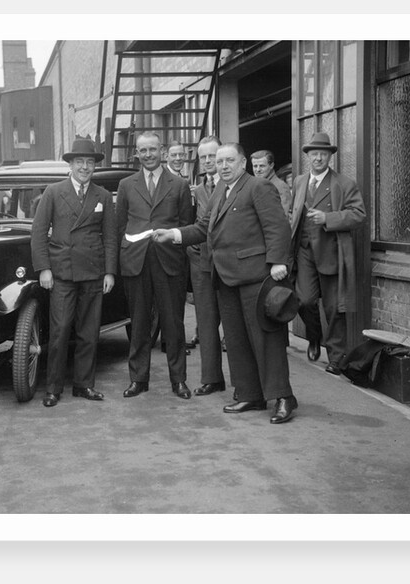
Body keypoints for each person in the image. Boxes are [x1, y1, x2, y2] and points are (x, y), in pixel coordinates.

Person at [154, 143, 298, 424]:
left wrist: (279, 261)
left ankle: (283, 397)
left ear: (242, 162)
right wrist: (172, 233)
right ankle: (249, 394)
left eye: (229, 160)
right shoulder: (221, 190)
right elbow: (201, 228)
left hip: (256, 277)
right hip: (225, 277)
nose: (223, 166)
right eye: (219, 162)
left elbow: (277, 226)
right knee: (236, 340)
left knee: (266, 339)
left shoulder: (258, 187)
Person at [30, 137, 118, 407]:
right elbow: (38, 233)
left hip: (93, 273)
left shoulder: (103, 195)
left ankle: (83, 385)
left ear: (95, 166)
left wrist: (110, 272)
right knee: (59, 332)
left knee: (89, 332)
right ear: (70, 164)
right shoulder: (54, 192)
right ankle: (53, 388)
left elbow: (111, 237)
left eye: (89, 162)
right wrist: (44, 269)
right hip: (63, 274)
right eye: (79, 162)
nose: (84, 167)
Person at [116, 131, 195, 400]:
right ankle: (138, 379)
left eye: (152, 149)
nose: (148, 155)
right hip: (135, 263)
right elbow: (120, 226)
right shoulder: (126, 185)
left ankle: (178, 380)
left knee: (173, 323)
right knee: (138, 323)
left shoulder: (179, 185)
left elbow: (186, 225)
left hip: (169, 262)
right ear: (136, 153)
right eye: (142, 150)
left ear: (162, 151)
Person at [289, 132, 366, 375]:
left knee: (334, 308)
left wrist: (328, 218)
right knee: (304, 300)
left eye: (323, 154)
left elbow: (359, 215)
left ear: (330, 156)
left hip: (331, 253)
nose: (318, 158)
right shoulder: (300, 182)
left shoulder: (343, 184)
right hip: (304, 251)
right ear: (308, 157)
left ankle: (336, 358)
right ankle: (314, 338)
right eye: (314, 154)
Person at [185, 136, 226, 397]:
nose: (209, 162)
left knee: (235, 327)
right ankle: (212, 379)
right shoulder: (196, 191)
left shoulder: (235, 186)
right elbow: (192, 225)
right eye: (204, 157)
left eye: (214, 156)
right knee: (207, 323)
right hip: (202, 264)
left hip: (229, 265)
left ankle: (247, 384)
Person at [251, 149, 292, 220]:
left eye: (262, 166)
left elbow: (283, 217)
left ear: (271, 165)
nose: (258, 170)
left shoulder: (280, 187)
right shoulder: (254, 186)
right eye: (255, 166)